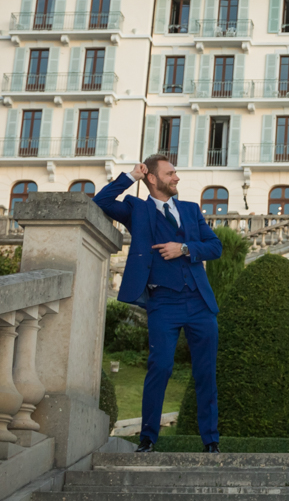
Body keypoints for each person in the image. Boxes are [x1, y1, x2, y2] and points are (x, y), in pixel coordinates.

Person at [93, 155, 225, 454]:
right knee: (160, 367)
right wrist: (131, 176)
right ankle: (148, 437)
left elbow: (215, 246)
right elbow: (101, 201)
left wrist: (185, 248)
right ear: (153, 178)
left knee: (205, 372)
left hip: (199, 302)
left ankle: (211, 441)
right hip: (163, 302)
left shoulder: (190, 210)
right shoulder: (136, 210)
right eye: (170, 173)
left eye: (175, 172)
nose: (176, 178)